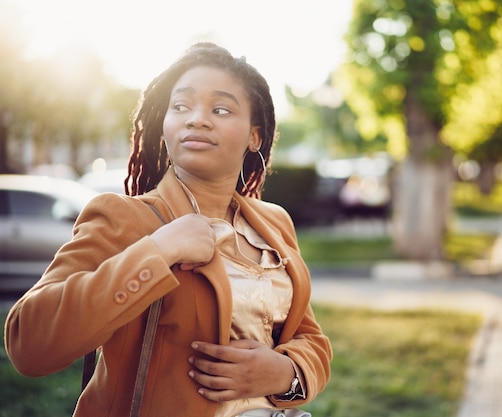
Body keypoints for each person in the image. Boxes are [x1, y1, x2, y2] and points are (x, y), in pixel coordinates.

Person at [4, 42, 332, 417]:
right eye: (181, 106)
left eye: (220, 109)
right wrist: (157, 251)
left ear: (255, 136)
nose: (197, 119)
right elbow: (27, 343)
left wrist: (285, 374)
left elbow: (311, 338)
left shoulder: (274, 222)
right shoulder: (123, 218)